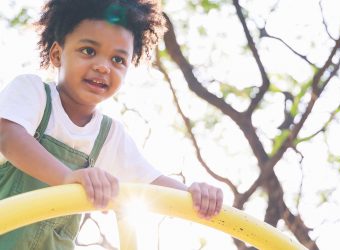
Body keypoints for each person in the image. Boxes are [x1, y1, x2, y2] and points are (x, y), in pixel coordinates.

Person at [0, 0, 223, 249]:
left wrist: (194, 193)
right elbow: (9, 137)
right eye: (88, 51)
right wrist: (67, 178)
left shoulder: (108, 135)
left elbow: (150, 182)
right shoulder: (34, 93)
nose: (103, 66)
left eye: (118, 59)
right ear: (57, 54)